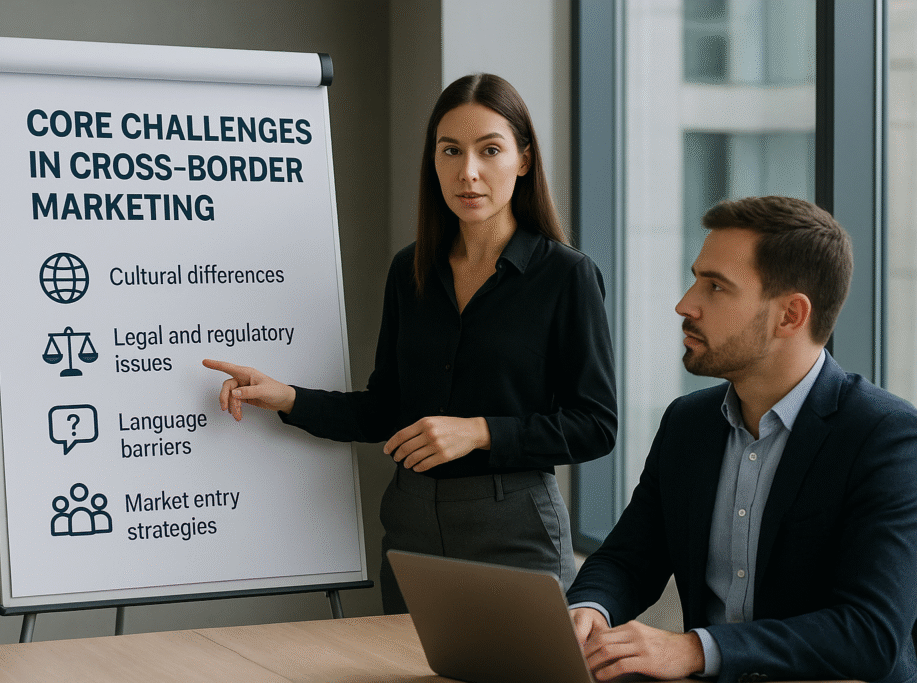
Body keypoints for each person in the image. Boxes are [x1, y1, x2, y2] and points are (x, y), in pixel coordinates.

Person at [204, 73, 618, 613]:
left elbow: (596, 425)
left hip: (513, 527)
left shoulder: (567, 276)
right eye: (451, 151)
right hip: (411, 522)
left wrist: (479, 433)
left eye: (489, 150)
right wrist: (287, 398)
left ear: (523, 159)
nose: (467, 172)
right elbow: (387, 411)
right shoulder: (411, 270)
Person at [567, 195, 917, 683]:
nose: (685, 304)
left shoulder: (886, 436)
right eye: (696, 278)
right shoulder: (687, 424)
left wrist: (694, 650)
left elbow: (870, 632)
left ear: (790, 316)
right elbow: (630, 558)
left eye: (715, 287)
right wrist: (591, 609)